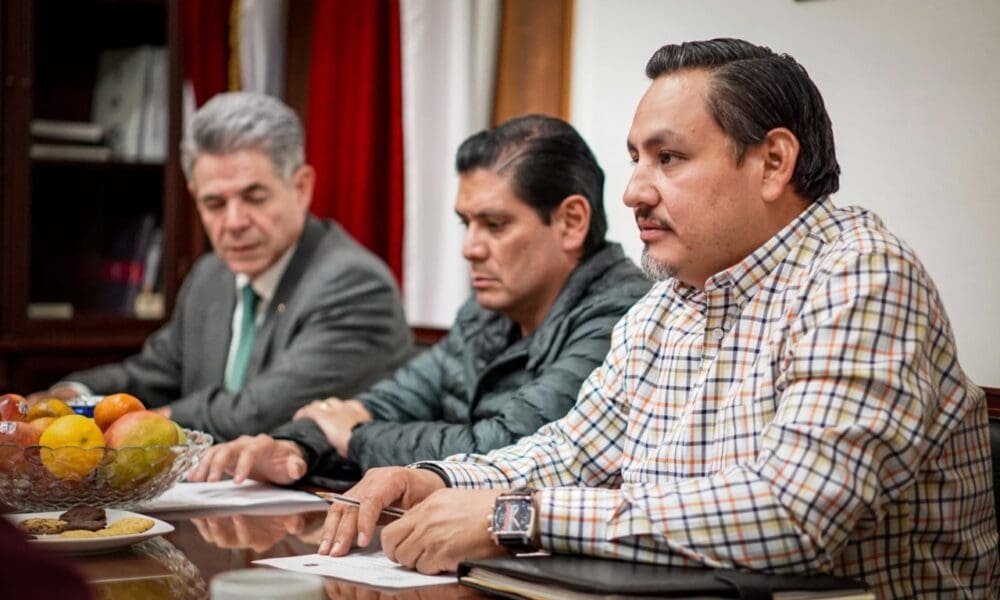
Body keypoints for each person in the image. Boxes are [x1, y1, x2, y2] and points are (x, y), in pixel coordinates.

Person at [316, 39, 999, 598]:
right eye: (636, 159)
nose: (635, 191)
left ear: (773, 162)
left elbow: (793, 514)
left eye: (668, 158)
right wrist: (435, 479)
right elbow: (572, 453)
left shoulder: (862, 276)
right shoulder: (668, 303)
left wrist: (514, 516)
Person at [189, 115, 650, 486]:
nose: (469, 248)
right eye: (465, 224)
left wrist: (356, 437)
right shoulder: (485, 312)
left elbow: (507, 449)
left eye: (494, 225)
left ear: (570, 222)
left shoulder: (622, 315)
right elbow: (392, 399)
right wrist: (295, 446)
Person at [40, 92, 413, 441]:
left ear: (301, 188)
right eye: (215, 204)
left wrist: (138, 427)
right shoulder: (210, 275)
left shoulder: (355, 284)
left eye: (255, 197)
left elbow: (260, 413)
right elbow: (154, 374)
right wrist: (69, 400)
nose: (234, 222)